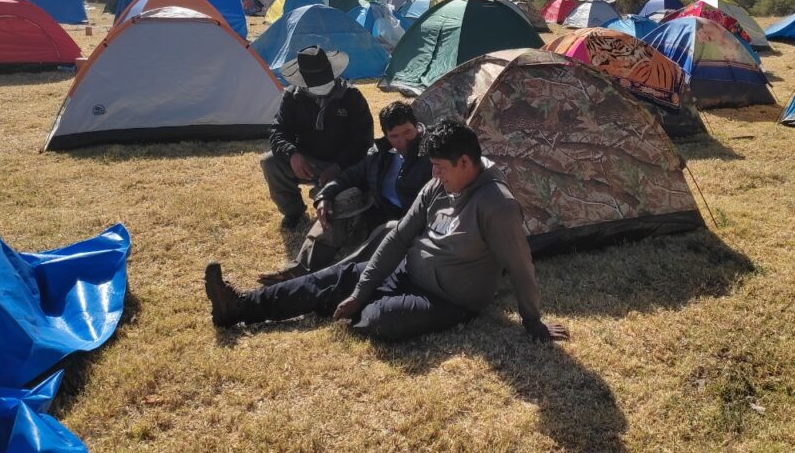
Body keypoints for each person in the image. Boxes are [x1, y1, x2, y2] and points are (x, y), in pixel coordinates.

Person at [206, 119, 569, 343]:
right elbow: (399, 236)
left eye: (441, 167)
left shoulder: (496, 204)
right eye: (433, 167)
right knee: (340, 276)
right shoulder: (439, 184)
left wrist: (533, 321)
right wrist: (362, 287)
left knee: (379, 321)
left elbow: (521, 268)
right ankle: (239, 308)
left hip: (447, 299)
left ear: (465, 162)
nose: (435, 176)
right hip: (407, 272)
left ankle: (336, 301)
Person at [257, 101, 432, 284]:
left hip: (408, 221)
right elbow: (350, 176)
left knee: (376, 247)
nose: (402, 141)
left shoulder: (432, 153)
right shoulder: (380, 153)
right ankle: (302, 268)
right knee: (338, 201)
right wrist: (325, 195)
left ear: (417, 127)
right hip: (377, 211)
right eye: (394, 136)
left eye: (407, 132)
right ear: (386, 136)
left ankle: (327, 281)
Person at [260, 46, 374, 229]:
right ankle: (293, 212)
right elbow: (278, 131)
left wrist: (339, 166)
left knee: (346, 211)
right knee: (270, 162)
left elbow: (363, 140)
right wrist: (292, 155)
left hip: (345, 164)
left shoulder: (352, 96)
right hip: (309, 162)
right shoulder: (292, 97)